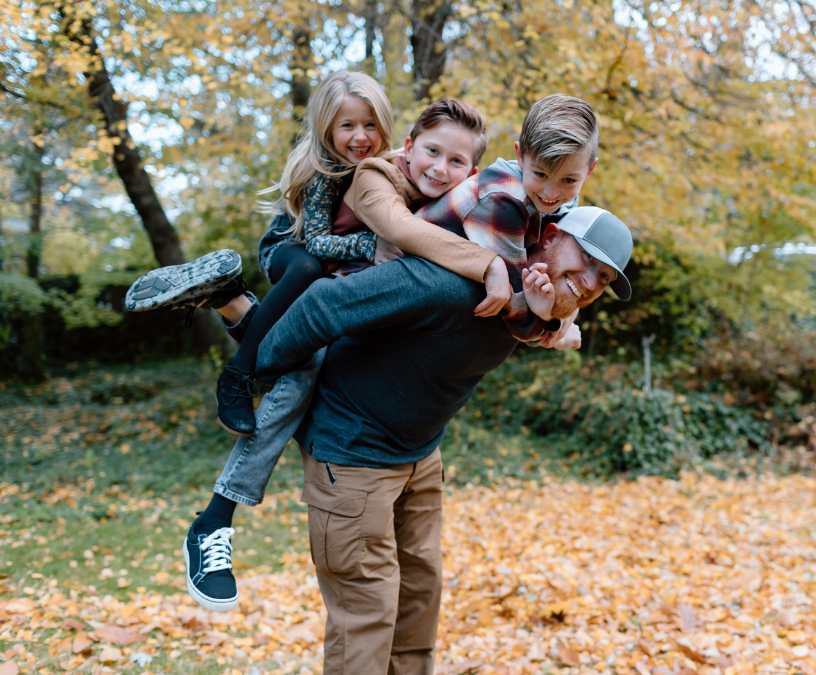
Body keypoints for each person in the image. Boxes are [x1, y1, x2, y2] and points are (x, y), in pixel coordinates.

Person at [173, 99, 530, 612]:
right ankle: (215, 515)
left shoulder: (451, 202)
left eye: (456, 161)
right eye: (432, 152)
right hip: (302, 273)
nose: (440, 167)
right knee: (298, 376)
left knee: (303, 369)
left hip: (349, 328)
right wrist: (485, 264)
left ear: (471, 173)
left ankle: (233, 305)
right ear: (407, 146)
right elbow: (392, 229)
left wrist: (555, 315)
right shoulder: (373, 175)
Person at [253, 204, 634, 675]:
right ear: (550, 236)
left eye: (604, 278)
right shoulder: (454, 283)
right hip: (353, 454)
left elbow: (558, 312)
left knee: (418, 602)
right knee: (366, 617)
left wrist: (560, 322)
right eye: (587, 260)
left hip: (420, 454)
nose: (591, 283)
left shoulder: (534, 307)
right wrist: (253, 379)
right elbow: (323, 305)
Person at [124, 70, 395, 436]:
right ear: (327, 128)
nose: (361, 136)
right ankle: (236, 375)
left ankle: (227, 297)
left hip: (331, 259)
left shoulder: (387, 168)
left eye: (370, 125)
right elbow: (317, 243)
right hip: (287, 248)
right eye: (347, 125)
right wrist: (369, 245)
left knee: (296, 337)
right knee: (309, 268)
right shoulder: (325, 172)